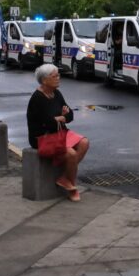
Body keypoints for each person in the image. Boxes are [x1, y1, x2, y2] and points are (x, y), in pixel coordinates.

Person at [26, 64, 89, 201]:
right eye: (55, 76)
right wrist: (60, 117)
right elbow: (47, 122)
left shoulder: (56, 93)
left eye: (58, 75)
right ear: (44, 80)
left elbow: (70, 115)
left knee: (84, 142)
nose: (58, 78)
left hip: (59, 132)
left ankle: (66, 178)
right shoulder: (37, 98)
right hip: (43, 137)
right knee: (71, 153)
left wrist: (61, 117)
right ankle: (72, 187)